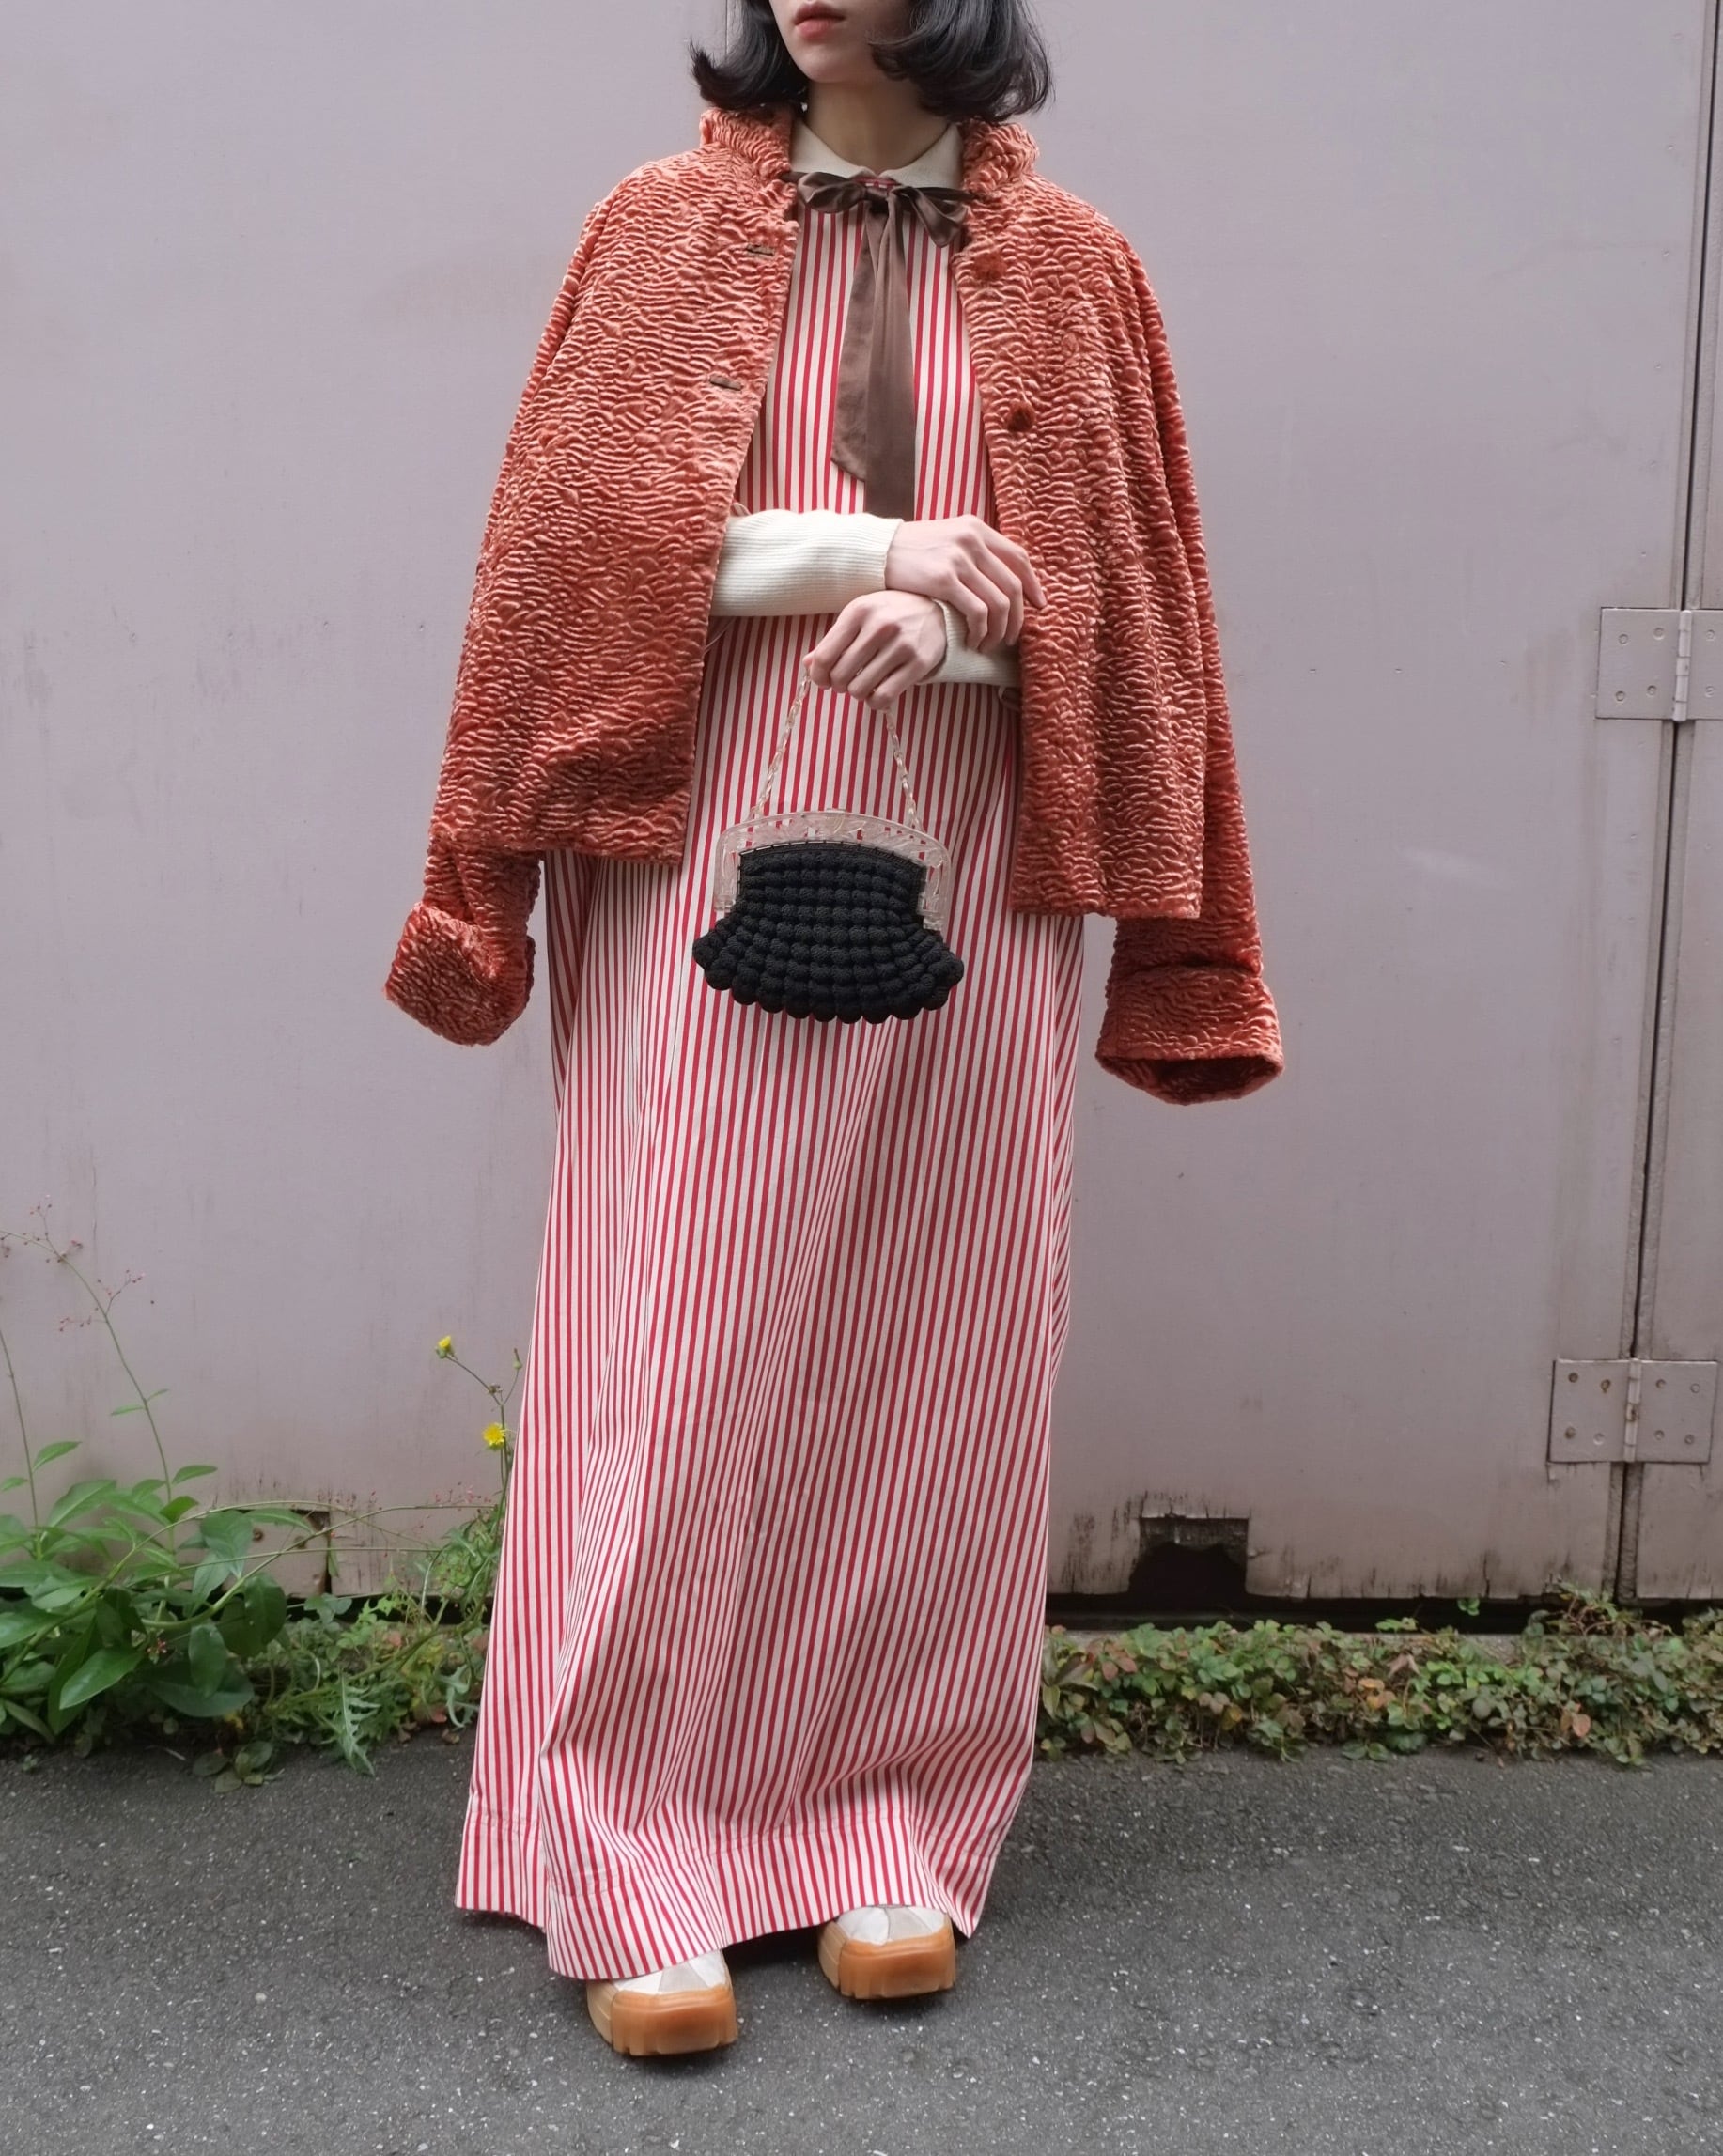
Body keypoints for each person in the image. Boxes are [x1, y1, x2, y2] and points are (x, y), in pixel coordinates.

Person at [385, 0, 1283, 2058]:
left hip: (974, 843)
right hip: (695, 824)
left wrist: (972, 615)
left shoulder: (1081, 270)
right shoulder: (652, 228)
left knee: (946, 1333)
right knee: (681, 1320)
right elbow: (563, 560)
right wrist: (863, 547)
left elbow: (1135, 609)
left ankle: (889, 1810)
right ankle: (624, 1836)